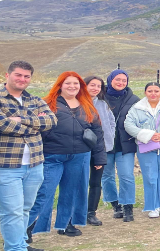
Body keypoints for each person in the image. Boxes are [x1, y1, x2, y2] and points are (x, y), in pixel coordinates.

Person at [0, 60, 56, 251]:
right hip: (5, 165)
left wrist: (19, 119)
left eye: (26, 76)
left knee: (25, 208)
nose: (22, 79)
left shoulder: (34, 99)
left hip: (34, 164)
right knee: (11, 210)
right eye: (18, 75)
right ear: (7, 75)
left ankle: (18, 241)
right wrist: (33, 124)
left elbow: (50, 122)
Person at [28, 72, 107, 237]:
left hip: (80, 156)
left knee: (73, 191)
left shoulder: (87, 105)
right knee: (44, 191)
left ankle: (67, 223)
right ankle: (29, 226)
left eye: (76, 84)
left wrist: (99, 157)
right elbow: (36, 129)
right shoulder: (46, 104)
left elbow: (97, 133)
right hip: (52, 156)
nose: (72, 87)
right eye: (68, 83)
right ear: (60, 85)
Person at [125, 82, 160, 218]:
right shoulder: (137, 109)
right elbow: (128, 124)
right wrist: (149, 135)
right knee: (150, 176)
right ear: (145, 92)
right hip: (146, 147)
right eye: (150, 91)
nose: (153, 94)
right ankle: (153, 205)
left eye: (156, 91)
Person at [102, 69, 140, 222]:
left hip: (125, 145)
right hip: (105, 145)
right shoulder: (100, 97)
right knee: (107, 176)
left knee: (127, 176)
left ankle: (128, 207)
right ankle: (115, 205)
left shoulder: (134, 100)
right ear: (110, 79)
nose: (121, 83)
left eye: (124, 80)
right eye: (118, 79)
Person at [84, 76, 115, 226]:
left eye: (98, 86)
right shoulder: (77, 103)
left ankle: (91, 213)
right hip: (81, 150)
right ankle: (77, 212)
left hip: (101, 149)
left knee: (96, 182)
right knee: (79, 182)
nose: (95, 88)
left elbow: (111, 123)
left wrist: (109, 141)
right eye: (92, 85)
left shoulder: (103, 104)